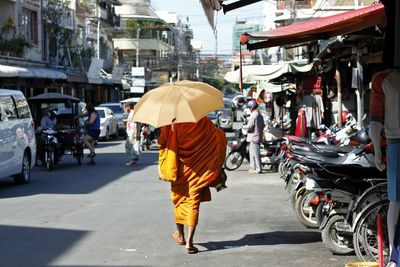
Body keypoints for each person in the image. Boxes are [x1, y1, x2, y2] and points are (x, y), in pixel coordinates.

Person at [158, 117, 226, 254]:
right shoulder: (202, 120)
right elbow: (218, 135)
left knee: (179, 201)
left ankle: (181, 235)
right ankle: (189, 242)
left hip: (180, 169)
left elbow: (162, 142)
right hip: (199, 170)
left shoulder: (173, 123)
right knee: (193, 203)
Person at [369, 68, 400, 267]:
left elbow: (374, 120)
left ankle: (393, 256)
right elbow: (375, 120)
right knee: (395, 201)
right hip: (394, 143)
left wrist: (378, 154)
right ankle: (394, 256)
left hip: (394, 144)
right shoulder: (382, 78)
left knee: (395, 202)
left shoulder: (382, 78)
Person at [244, 99, 265, 174]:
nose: (249, 110)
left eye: (249, 108)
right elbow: (263, 125)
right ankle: (253, 168)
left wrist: (243, 126)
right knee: (252, 153)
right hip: (258, 136)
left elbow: (250, 126)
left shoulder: (253, 115)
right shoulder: (259, 114)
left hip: (253, 137)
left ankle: (258, 169)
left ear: (251, 108)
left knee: (255, 154)